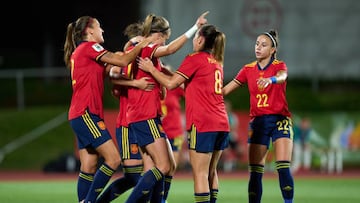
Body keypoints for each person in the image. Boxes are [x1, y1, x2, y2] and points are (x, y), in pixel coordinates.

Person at [63, 16, 154, 203]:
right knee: (113, 159)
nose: (102, 30)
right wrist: (144, 43)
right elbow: (122, 61)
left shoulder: (82, 52)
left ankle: (85, 200)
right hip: (86, 113)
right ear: (89, 31)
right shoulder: (90, 48)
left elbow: (116, 60)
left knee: (89, 166)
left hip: (79, 113)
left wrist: (130, 44)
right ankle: (88, 202)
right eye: (99, 27)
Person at [138, 24, 230, 203]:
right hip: (221, 122)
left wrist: (152, 70)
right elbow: (188, 85)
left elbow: (171, 84)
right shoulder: (216, 62)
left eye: (196, 37)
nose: (194, 40)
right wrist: (165, 71)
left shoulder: (194, 58)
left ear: (201, 40)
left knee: (200, 173)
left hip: (203, 123)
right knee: (211, 171)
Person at [124, 12, 209, 203]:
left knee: (167, 165)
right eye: (165, 39)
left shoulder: (143, 48)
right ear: (159, 35)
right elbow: (170, 49)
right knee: (163, 166)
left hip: (146, 115)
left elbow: (169, 76)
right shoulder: (147, 47)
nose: (164, 43)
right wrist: (195, 27)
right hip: (144, 115)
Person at [222, 29, 295, 203]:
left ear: (272, 50)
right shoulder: (248, 69)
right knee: (255, 171)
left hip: (279, 120)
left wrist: (271, 80)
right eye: (257, 44)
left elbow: (283, 76)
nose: (258, 48)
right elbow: (225, 90)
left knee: (283, 166)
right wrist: (204, 89)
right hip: (258, 122)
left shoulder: (279, 66)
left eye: (263, 45)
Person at [96, 22, 155, 203]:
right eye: (132, 44)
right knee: (134, 178)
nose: (133, 47)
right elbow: (113, 77)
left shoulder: (148, 60)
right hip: (128, 124)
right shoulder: (124, 57)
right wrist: (134, 84)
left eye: (137, 43)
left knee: (155, 172)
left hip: (145, 120)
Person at [221, 100, 242, 172]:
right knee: (226, 150)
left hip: (232, 138)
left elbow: (233, 128)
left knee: (240, 150)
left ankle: (235, 164)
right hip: (223, 138)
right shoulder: (221, 116)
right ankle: (227, 165)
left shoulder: (233, 116)